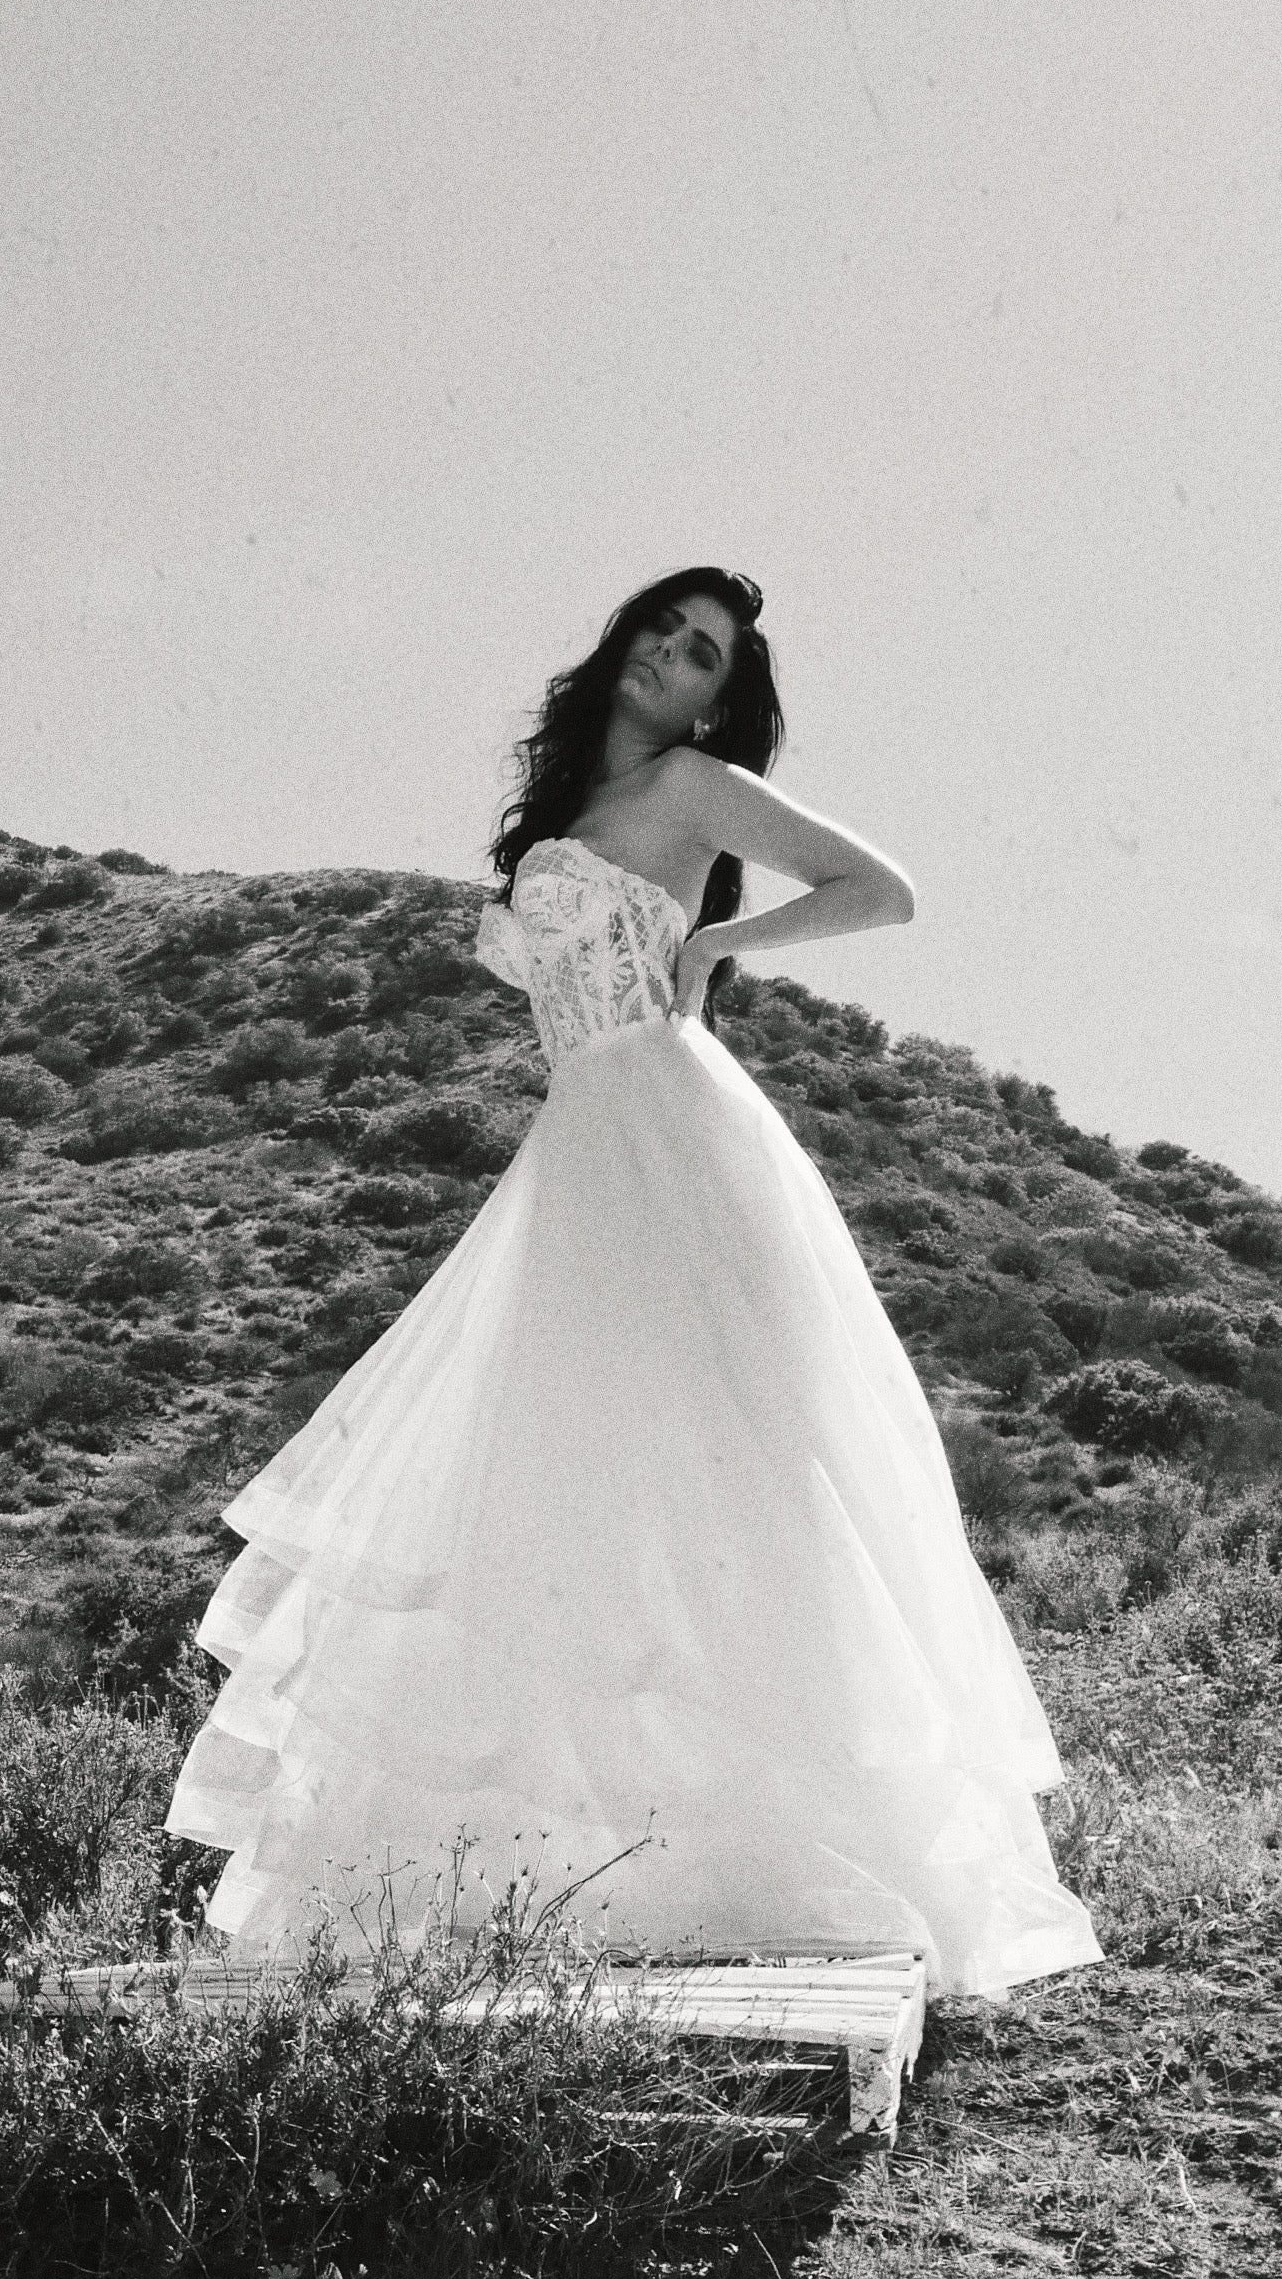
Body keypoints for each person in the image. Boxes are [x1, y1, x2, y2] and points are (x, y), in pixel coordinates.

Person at [165, 565, 1100, 2002]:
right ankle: (607, 1864)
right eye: (665, 629)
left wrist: (721, 939)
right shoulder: (567, 820)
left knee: (732, 1462)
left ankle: (818, 1847)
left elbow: (883, 891)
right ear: (625, 643)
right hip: (582, 1148)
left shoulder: (689, 787)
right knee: (576, 1479)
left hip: (673, 1125)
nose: (674, 655)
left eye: (705, 652)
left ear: (722, 696)